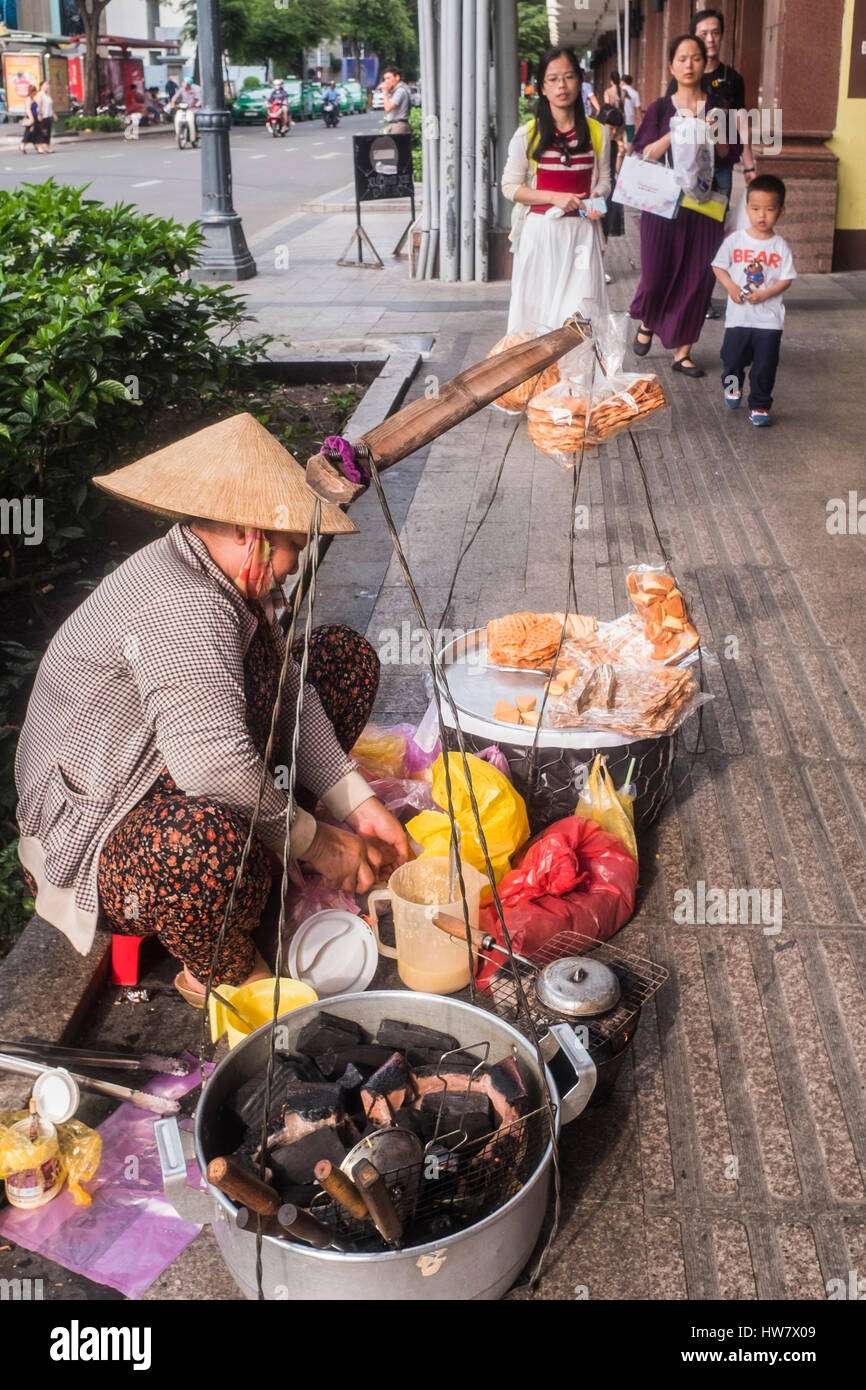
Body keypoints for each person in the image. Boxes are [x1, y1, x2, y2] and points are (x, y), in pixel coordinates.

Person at [15, 416, 411, 1006]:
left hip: (169, 770)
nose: (293, 568)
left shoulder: (214, 568)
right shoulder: (184, 602)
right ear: (252, 533)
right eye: (291, 551)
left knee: (339, 659)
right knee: (204, 845)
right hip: (95, 837)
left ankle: (267, 854)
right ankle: (220, 971)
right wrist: (325, 845)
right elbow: (214, 770)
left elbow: (288, 691)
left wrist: (357, 802)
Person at [628, 33, 728, 377]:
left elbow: (731, 154)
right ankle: (649, 320)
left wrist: (717, 134)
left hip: (704, 206)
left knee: (698, 277)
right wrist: (678, 131)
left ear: (705, 63)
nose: (689, 64)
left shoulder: (719, 107)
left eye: (696, 58)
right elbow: (643, 154)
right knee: (656, 274)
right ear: (671, 65)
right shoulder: (659, 108)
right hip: (662, 203)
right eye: (682, 58)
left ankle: (682, 352)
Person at [501, 46, 610, 336]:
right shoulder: (528, 134)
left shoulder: (599, 132)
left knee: (579, 318)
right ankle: (541, 380)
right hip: (540, 235)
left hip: (582, 235)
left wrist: (595, 201)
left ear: (580, 80)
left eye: (569, 77)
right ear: (543, 88)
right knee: (536, 317)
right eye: (553, 79)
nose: (562, 86)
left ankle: (577, 381)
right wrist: (554, 197)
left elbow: (606, 181)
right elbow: (510, 188)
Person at [711, 174, 795, 427]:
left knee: (765, 366)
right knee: (732, 360)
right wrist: (731, 287)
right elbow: (718, 266)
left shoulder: (780, 246)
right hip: (738, 318)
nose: (762, 215)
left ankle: (759, 404)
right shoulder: (735, 240)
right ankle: (732, 388)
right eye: (756, 209)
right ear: (747, 208)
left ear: (781, 211)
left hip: (769, 321)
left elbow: (786, 278)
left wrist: (766, 294)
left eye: (770, 209)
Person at [598, 104, 625, 283]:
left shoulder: (614, 145)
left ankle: (599, 269)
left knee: (604, 231)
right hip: (595, 192)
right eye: (610, 128)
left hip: (610, 193)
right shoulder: (593, 143)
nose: (614, 132)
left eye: (616, 128)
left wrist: (621, 155)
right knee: (593, 229)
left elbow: (617, 172)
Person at [169, 79, 201, 146]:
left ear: (189, 84)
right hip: (184, 108)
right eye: (183, 82)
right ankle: (177, 133)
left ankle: (197, 132)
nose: (183, 83)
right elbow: (175, 97)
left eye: (184, 82)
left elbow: (200, 99)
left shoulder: (196, 89)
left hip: (193, 108)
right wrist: (173, 103)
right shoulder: (182, 89)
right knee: (176, 118)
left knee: (195, 117)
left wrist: (197, 104)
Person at [381, 63, 411, 134]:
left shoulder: (400, 91)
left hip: (398, 126)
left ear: (397, 77)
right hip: (395, 125)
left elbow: (388, 108)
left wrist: (385, 92)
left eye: (388, 78)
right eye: (385, 79)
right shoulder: (395, 90)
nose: (386, 81)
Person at [620, 74, 642, 148]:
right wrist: (641, 122)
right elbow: (638, 109)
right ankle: (628, 156)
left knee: (620, 139)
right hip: (630, 120)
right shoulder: (635, 93)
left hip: (620, 119)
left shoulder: (618, 92)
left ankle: (620, 155)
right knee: (630, 140)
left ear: (622, 82)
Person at [18, 84, 40, 155]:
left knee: (34, 132)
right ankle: (22, 145)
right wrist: (32, 119)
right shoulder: (28, 99)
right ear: (32, 91)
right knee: (29, 133)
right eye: (35, 91)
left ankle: (35, 145)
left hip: (35, 116)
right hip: (31, 117)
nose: (36, 92)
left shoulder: (33, 99)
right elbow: (28, 110)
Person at [35, 79, 55, 153]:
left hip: (48, 115)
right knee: (42, 132)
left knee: (48, 132)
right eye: (46, 84)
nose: (48, 86)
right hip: (42, 116)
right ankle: (39, 147)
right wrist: (40, 114)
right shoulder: (40, 94)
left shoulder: (47, 95)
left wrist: (53, 114)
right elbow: (39, 105)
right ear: (41, 86)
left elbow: (50, 106)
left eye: (48, 84)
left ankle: (48, 147)